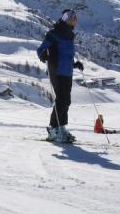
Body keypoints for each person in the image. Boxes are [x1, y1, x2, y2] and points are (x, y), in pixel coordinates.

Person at [37, 9, 84, 143]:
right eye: (72, 17)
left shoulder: (69, 35)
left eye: (76, 17)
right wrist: (43, 55)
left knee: (66, 101)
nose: (75, 19)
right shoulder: (54, 33)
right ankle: (53, 129)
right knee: (61, 100)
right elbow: (41, 49)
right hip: (56, 69)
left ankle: (61, 128)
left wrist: (75, 64)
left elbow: (66, 55)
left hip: (67, 71)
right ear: (65, 18)